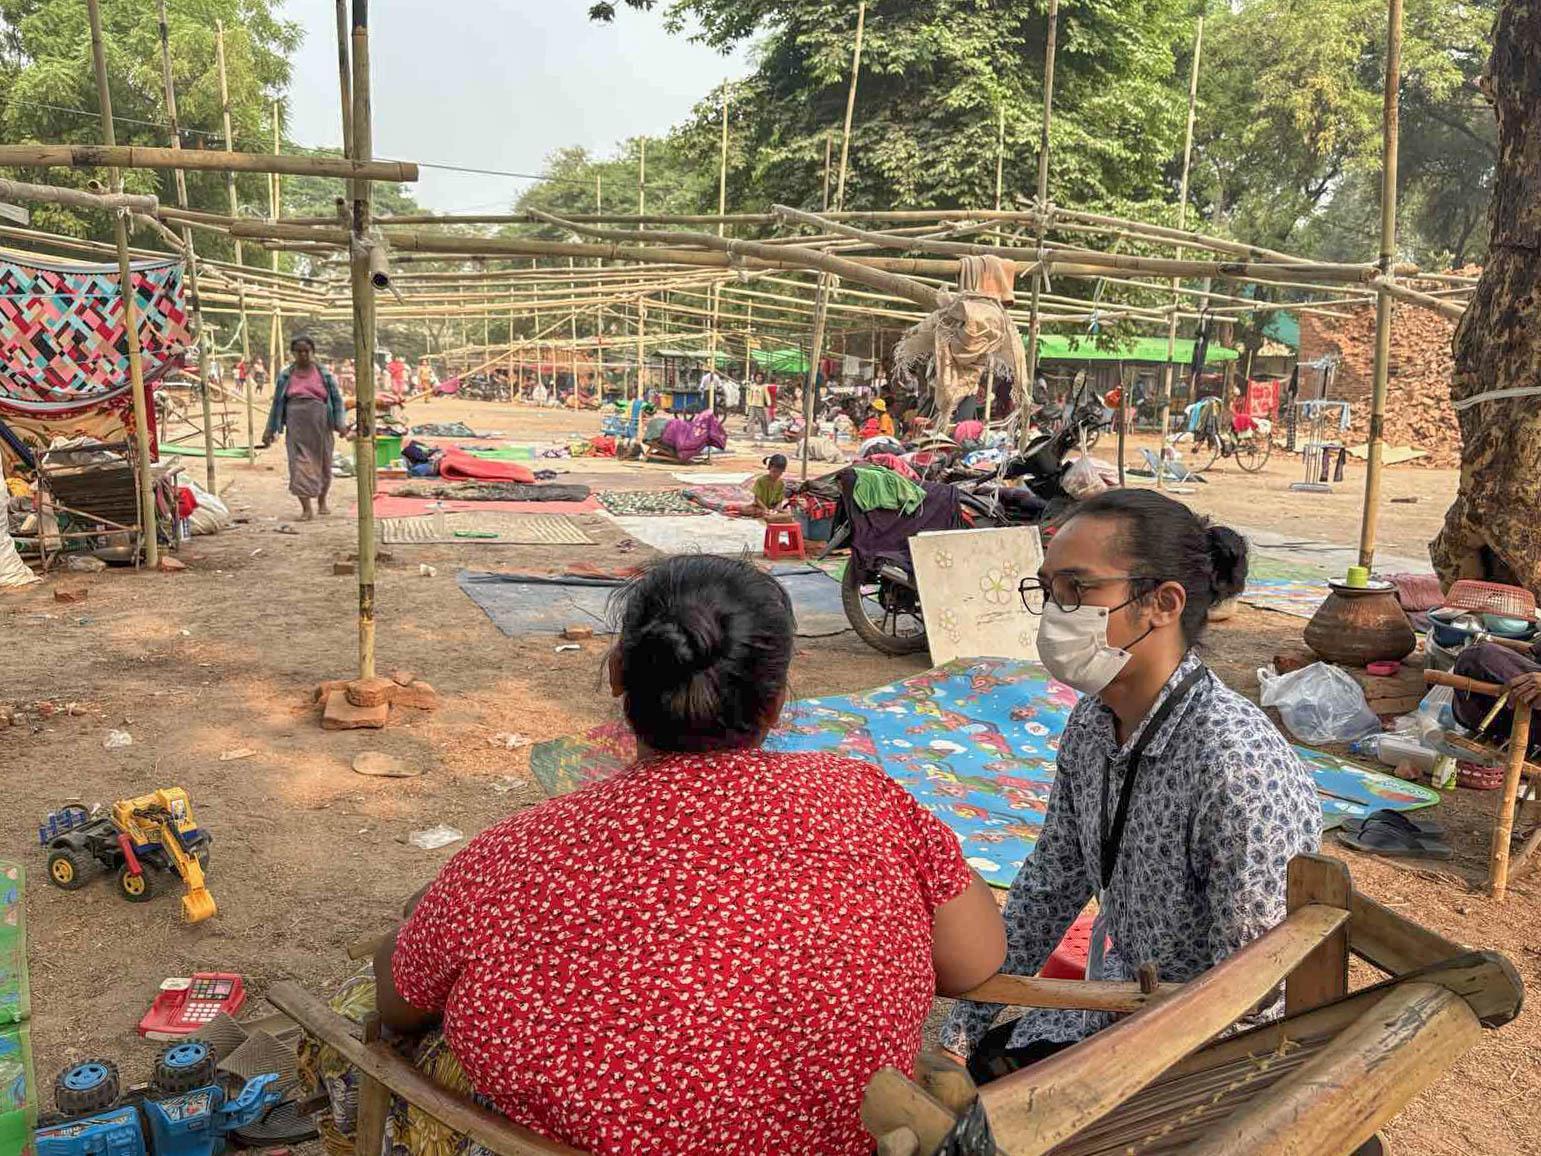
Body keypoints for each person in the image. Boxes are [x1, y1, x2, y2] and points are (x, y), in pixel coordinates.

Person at [362, 556, 1004, 1154]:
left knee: (379, 1016)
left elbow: (398, 1004)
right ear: (778, 702)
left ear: (617, 675)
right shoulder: (866, 799)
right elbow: (976, 960)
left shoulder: (514, 851)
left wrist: (430, 912)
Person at [942, 488, 1320, 1082]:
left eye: (1078, 590)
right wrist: (958, 1037)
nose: (1055, 613)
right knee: (977, 1076)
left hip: (1186, 1055)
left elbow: (1252, 996)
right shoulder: (1093, 722)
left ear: (1162, 604)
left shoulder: (1235, 763)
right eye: (1048, 590)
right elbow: (1050, 886)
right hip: (1110, 1012)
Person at [259, 336, 348, 521]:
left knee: (323, 463)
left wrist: (340, 424)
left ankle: (322, 501)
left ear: (312, 352)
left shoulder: (324, 373)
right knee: (299, 465)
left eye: (306, 351)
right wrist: (270, 430)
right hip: (296, 422)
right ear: (293, 354)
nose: (303, 355)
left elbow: (337, 400)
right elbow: (277, 404)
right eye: (299, 351)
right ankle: (306, 509)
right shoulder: (286, 375)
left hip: (320, 422)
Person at [746, 453, 795, 522]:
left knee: (790, 515)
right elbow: (757, 499)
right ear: (769, 468)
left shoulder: (781, 483)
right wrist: (765, 509)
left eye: (779, 473)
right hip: (760, 508)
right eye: (774, 471)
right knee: (749, 510)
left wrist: (775, 510)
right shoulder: (761, 480)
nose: (776, 475)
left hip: (772, 509)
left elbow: (779, 501)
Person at [745, 372, 770, 440]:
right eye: (757, 377)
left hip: (760, 406)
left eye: (760, 377)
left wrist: (769, 403)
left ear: (762, 378)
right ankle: (750, 434)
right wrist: (748, 403)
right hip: (752, 405)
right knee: (750, 420)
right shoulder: (752, 386)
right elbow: (750, 395)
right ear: (755, 378)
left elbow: (767, 395)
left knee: (763, 420)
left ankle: (765, 432)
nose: (759, 379)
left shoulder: (764, 386)